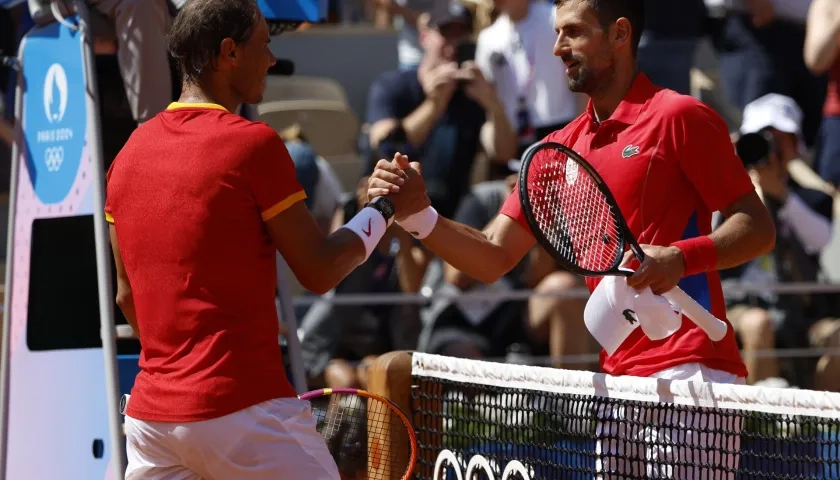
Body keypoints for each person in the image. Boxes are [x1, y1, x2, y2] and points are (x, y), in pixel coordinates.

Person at [369, 0, 775, 477]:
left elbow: (757, 226)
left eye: (574, 33)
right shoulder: (556, 149)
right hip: (615, 385)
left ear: (620, 34)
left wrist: (679, 259)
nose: (558, 47)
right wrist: (419, 215)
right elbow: (492, 256)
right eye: (557, 32)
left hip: (691, 374)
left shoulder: (679, 117)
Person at [104, 1, 420, 478]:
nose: (272, 60)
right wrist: (384, 209)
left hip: (152, 422)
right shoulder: (253, 144)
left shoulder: (125, 158)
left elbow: (127, 297)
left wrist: (182, 369)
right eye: (264, 45)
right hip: (243, 410)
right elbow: (319, 271)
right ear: (229, 52)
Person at [722, 94, 838, 389]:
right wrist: (728, 166)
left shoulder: (812, 198)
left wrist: (781, 195)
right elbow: (706, 228)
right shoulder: (724, 194)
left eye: (778, 138)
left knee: (836, 334)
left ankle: (822, 429)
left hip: (799, 311)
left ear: (795, 144)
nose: (769, 147)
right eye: (760, 138)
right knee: (758, 323)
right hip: (739, 306)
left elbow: (820, 238)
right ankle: (759, 428)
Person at [365, 1, 517, 218]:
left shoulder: (472, 96)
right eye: (446, 32)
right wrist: (434, 105)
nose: (453, 43)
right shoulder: (392, 86)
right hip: (392, 206)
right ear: (424, 37)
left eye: (461, 34)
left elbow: (503, 153)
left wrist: (492, 103)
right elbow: (383, 145)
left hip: (450, 213)